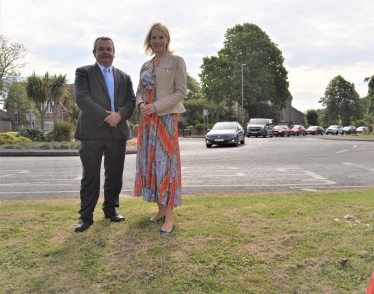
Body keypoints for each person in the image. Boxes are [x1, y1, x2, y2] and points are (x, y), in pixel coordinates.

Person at [74, 36, 136, 232]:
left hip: (117, 133)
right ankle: (86, 216)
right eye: (101, 49)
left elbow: (131, 102)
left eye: (109, 49)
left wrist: (120, 115)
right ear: (94, 53)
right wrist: (107, 117)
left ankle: (110, 210)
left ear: (114, 52)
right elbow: (82, 98)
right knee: (90, 176)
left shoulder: (124, 77)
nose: (105, 52)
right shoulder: (83, 72)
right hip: (92, 132)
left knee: (114, 175)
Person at [134, 22, 187, 235]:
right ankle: (161, 211)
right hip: (147, 122)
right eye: (154, 38)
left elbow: (181, 91)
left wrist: (155, 106)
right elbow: (139, 90)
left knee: (167, 166)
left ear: (167, 39)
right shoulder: (145, 66)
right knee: (153, 165)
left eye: (161, 37)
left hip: (165, 120)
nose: (157, 41)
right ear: (149, 41)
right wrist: (140, 105)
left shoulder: (176, 62)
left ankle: (170, 217)